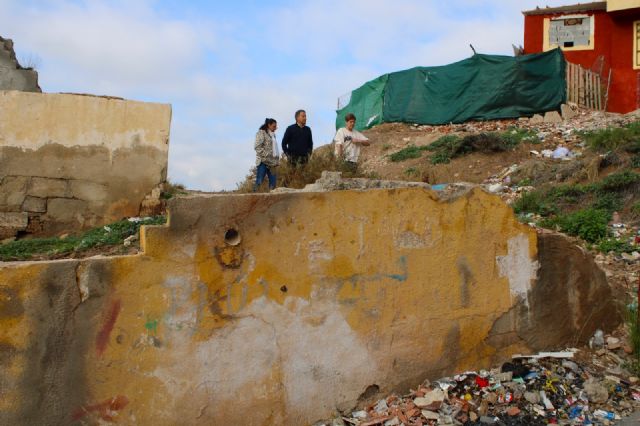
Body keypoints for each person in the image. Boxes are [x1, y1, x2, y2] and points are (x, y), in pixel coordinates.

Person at [253, 118, 280, 191]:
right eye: (274, 126)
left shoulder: (273, 135)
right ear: (269, 125)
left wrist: (276, 161)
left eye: (276, 126)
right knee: (259, 182)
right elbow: (257, 147)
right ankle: (253, 199)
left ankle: (273, 202)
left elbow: (274, 150)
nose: (275, 128)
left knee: (273, 185)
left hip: (273, 164)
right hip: (263, 162)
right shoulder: (261, 133)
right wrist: (266, 155)